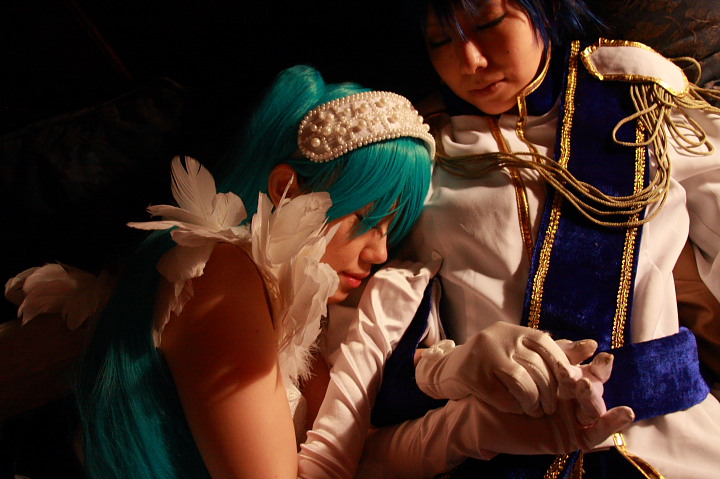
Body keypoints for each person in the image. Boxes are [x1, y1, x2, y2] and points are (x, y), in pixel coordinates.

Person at [6, 62, 632, 477]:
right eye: (372, 219)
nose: (381, 252)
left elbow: (346, 456)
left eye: (393, 230)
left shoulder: (290, 309)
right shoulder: (221, 268)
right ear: (286, 189)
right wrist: (383, 366)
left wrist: (474, 426)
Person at [357, 0, 720, 477]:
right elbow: (384, 341)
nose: (470, 61)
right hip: (501, 450)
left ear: (544, 10)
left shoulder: (635, 98)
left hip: (667, 438)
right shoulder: (420, 154)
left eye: (489, 24)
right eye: (441, 41)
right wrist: (456, 364)